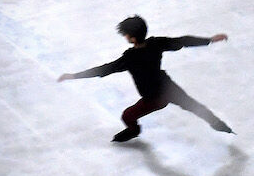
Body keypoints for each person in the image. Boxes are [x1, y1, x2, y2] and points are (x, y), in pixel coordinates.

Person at [58, 15, 234, 142]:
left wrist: (74, 76)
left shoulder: (130, 57)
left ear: (132, 38)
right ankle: (219, 125)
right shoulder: (155, 43)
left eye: (125, 34)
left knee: (127, 116)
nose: (125, 37)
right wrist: (209, 40)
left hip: (153, 98)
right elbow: (182, 41)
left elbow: (105, 69)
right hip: (167, 87)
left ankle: (134, 131)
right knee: (194, 106)